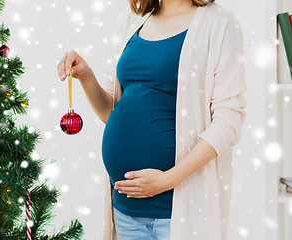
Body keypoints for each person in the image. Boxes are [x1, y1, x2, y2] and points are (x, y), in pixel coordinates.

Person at [56, 0, 247, 239]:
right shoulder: (134, 21)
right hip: (126, 213)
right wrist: (86, 76)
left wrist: (167, 180)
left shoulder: (219, 23)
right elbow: (112, 111)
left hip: (176, 214)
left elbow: (229, 121)